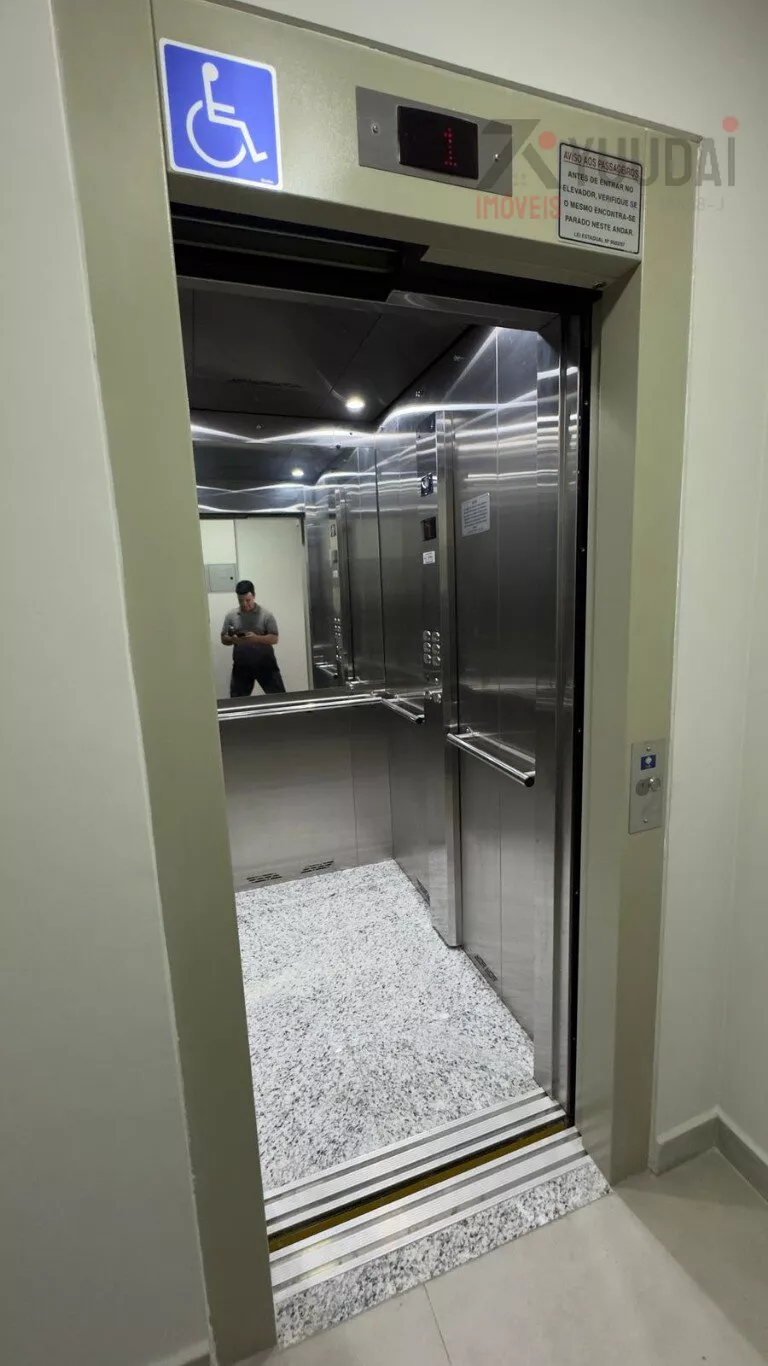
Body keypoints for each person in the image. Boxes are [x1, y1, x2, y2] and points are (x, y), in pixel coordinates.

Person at [221, 580, 286, 697]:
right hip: (241, 665)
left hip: (266, 664)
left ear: (254, 596)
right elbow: (223, 638)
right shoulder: (231, 616)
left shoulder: (266, 615)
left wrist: (256, 638)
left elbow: (274, 638)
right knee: (238, 702)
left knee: (279, 698)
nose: (245, 604)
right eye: (241, 600)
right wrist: (232, 640)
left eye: (248, 600)